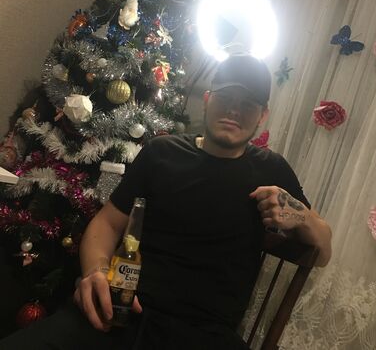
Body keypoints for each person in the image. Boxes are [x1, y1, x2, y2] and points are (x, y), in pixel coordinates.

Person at [0, 54, 332, 350]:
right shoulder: (162, 152)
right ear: (207, 100)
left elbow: (323, 251)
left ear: (263, 115)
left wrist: (300, 215)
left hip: (205, 335)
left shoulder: (271, 170)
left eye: (248, 104)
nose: (234, 110)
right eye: (226, 97)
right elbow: (107, 223)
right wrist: (97, 272)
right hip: (124, 311)